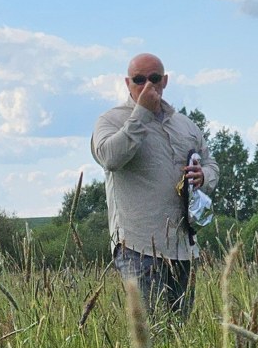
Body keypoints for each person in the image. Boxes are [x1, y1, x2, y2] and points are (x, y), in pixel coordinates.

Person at [92, 53, 219, 315]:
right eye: (139, 79)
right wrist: (142, 114)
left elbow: (211, 164)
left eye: (154, 78)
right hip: (137, 247)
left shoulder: (186, 125)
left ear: (165, 81)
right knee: (148, 333)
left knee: (180, 335)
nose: (147, 85)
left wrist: (203, 176)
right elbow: (109, 158)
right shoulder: (111, 121)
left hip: (183, 246)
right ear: (127, 83)